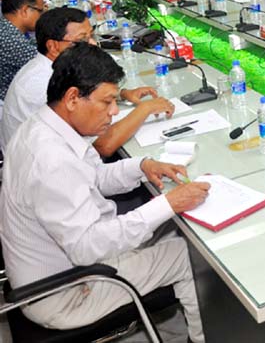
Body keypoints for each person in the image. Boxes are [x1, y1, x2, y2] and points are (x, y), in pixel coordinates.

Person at [0, 43, 210, 342]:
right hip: (67, 294)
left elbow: (92, 177)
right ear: (73, 97)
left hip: (61, 269)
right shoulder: (50, 159)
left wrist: (142, 166)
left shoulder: (43, 126)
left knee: (169, 228)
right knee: (189, 253)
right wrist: (168, 203)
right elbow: (88, 247)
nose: (114, 112)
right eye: (107, 102)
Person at [0, 7, 175, 155]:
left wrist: (121, 94)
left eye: (91, 36)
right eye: (81, 40)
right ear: (53, 46)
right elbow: (102, 145)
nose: (92, 44)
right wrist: (145, 109)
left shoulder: (54, 69)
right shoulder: (41, 83)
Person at [0, 0, 44, 118]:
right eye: (40, 11)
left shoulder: (6, 27)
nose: (42, 16)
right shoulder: (11, 40)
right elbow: (47, 62)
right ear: (24, 10)